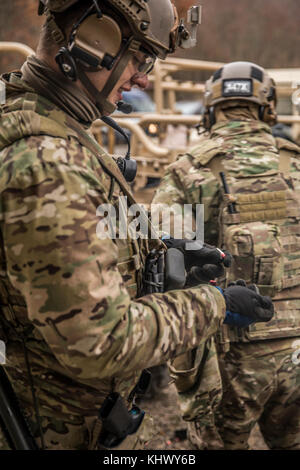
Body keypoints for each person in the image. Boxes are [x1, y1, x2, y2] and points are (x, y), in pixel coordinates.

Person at [0, 0, 274, 450]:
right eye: (142, 59)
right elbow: (103, 341)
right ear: (96, 41)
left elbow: (77, 233)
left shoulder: (48, 122)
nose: (144, 78)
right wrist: (217, 305)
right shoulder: (48, 161)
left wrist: (161, 251)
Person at [153, 61, 300, 450]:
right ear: (267, 107)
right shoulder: (296, 161)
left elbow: (162, 257)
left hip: (229, 350)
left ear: (210, 108)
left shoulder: (189, 171)